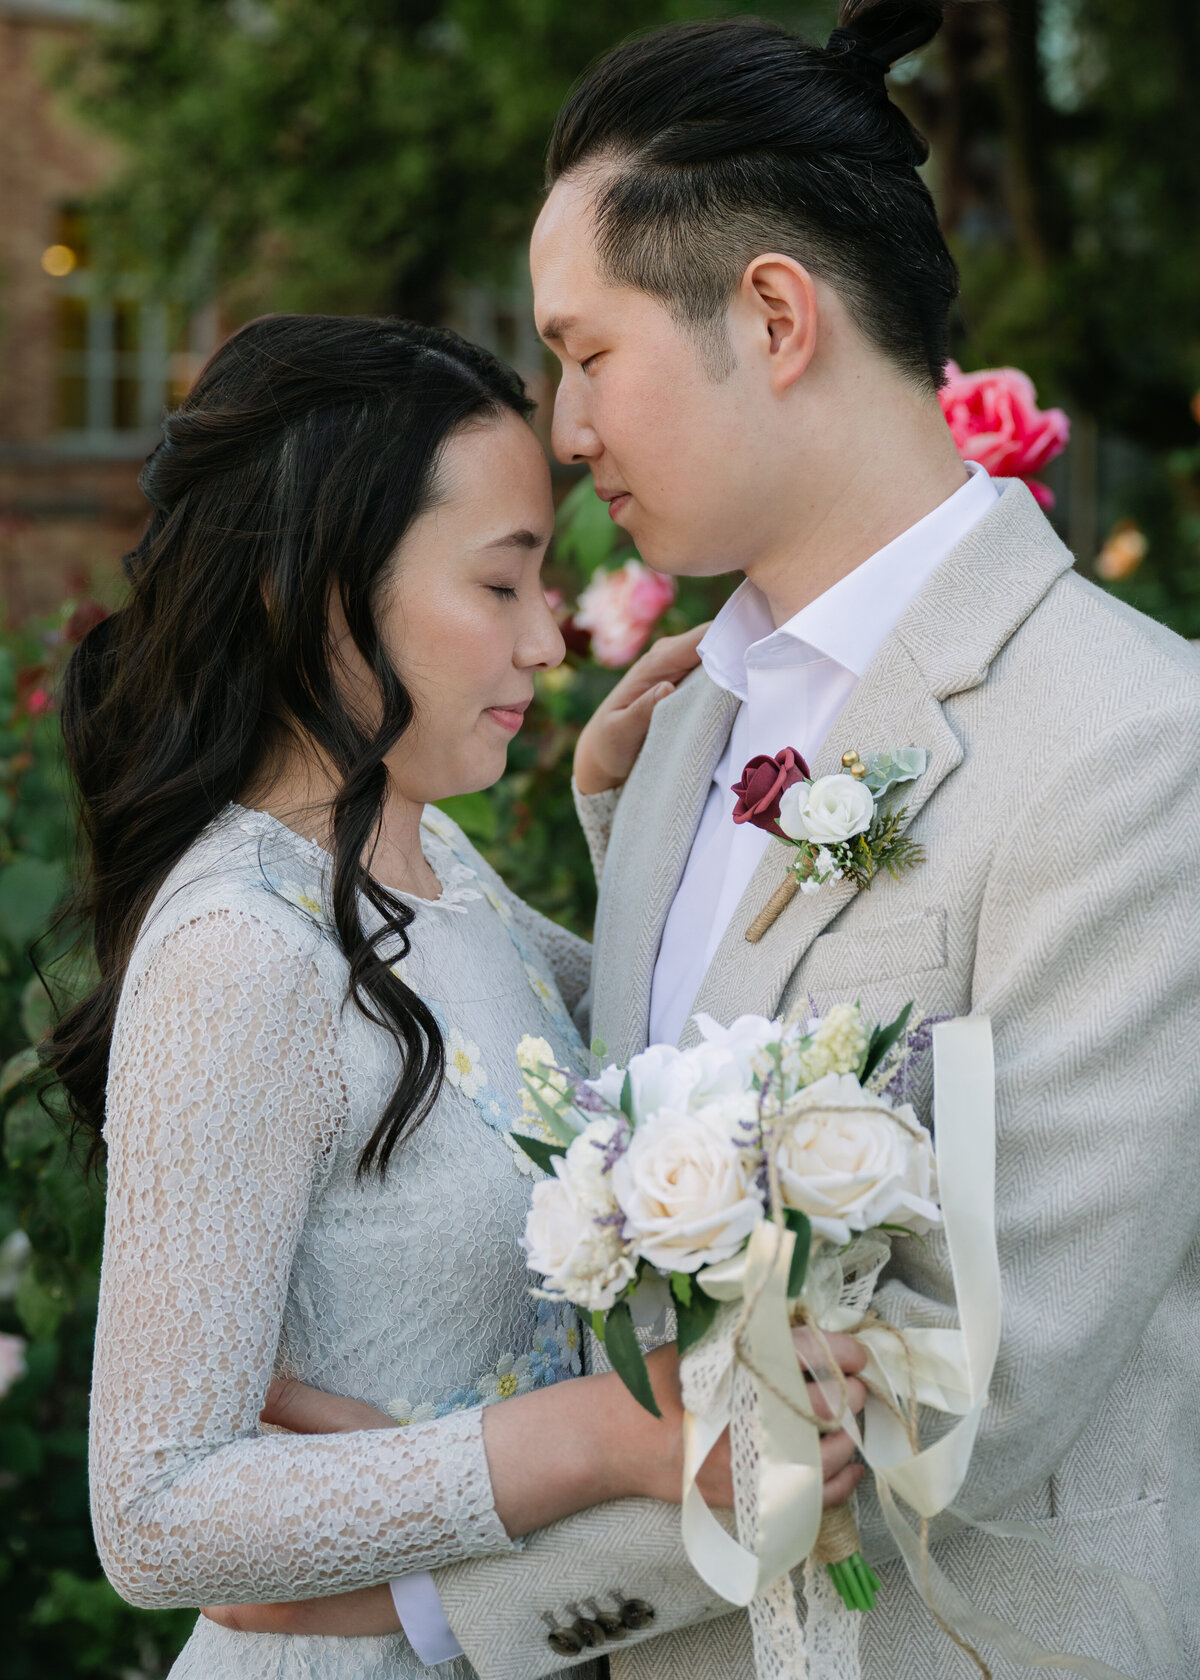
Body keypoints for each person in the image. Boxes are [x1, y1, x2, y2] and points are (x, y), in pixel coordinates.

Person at [224, 3, 1200, 1677]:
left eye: (587, 354)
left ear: (772, 315)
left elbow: (961, 1390)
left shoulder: (1131, 745)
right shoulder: (682, 734)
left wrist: (418, 1593)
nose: (566, 432)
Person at [67, 312, 866, 1680]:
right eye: (501, 589)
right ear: (323, 594)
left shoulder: (431, 854)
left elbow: (634, 1045)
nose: (550, 644)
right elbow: (156, 1513)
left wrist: (635, 814)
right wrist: (609, 1439)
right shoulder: (236, 952)